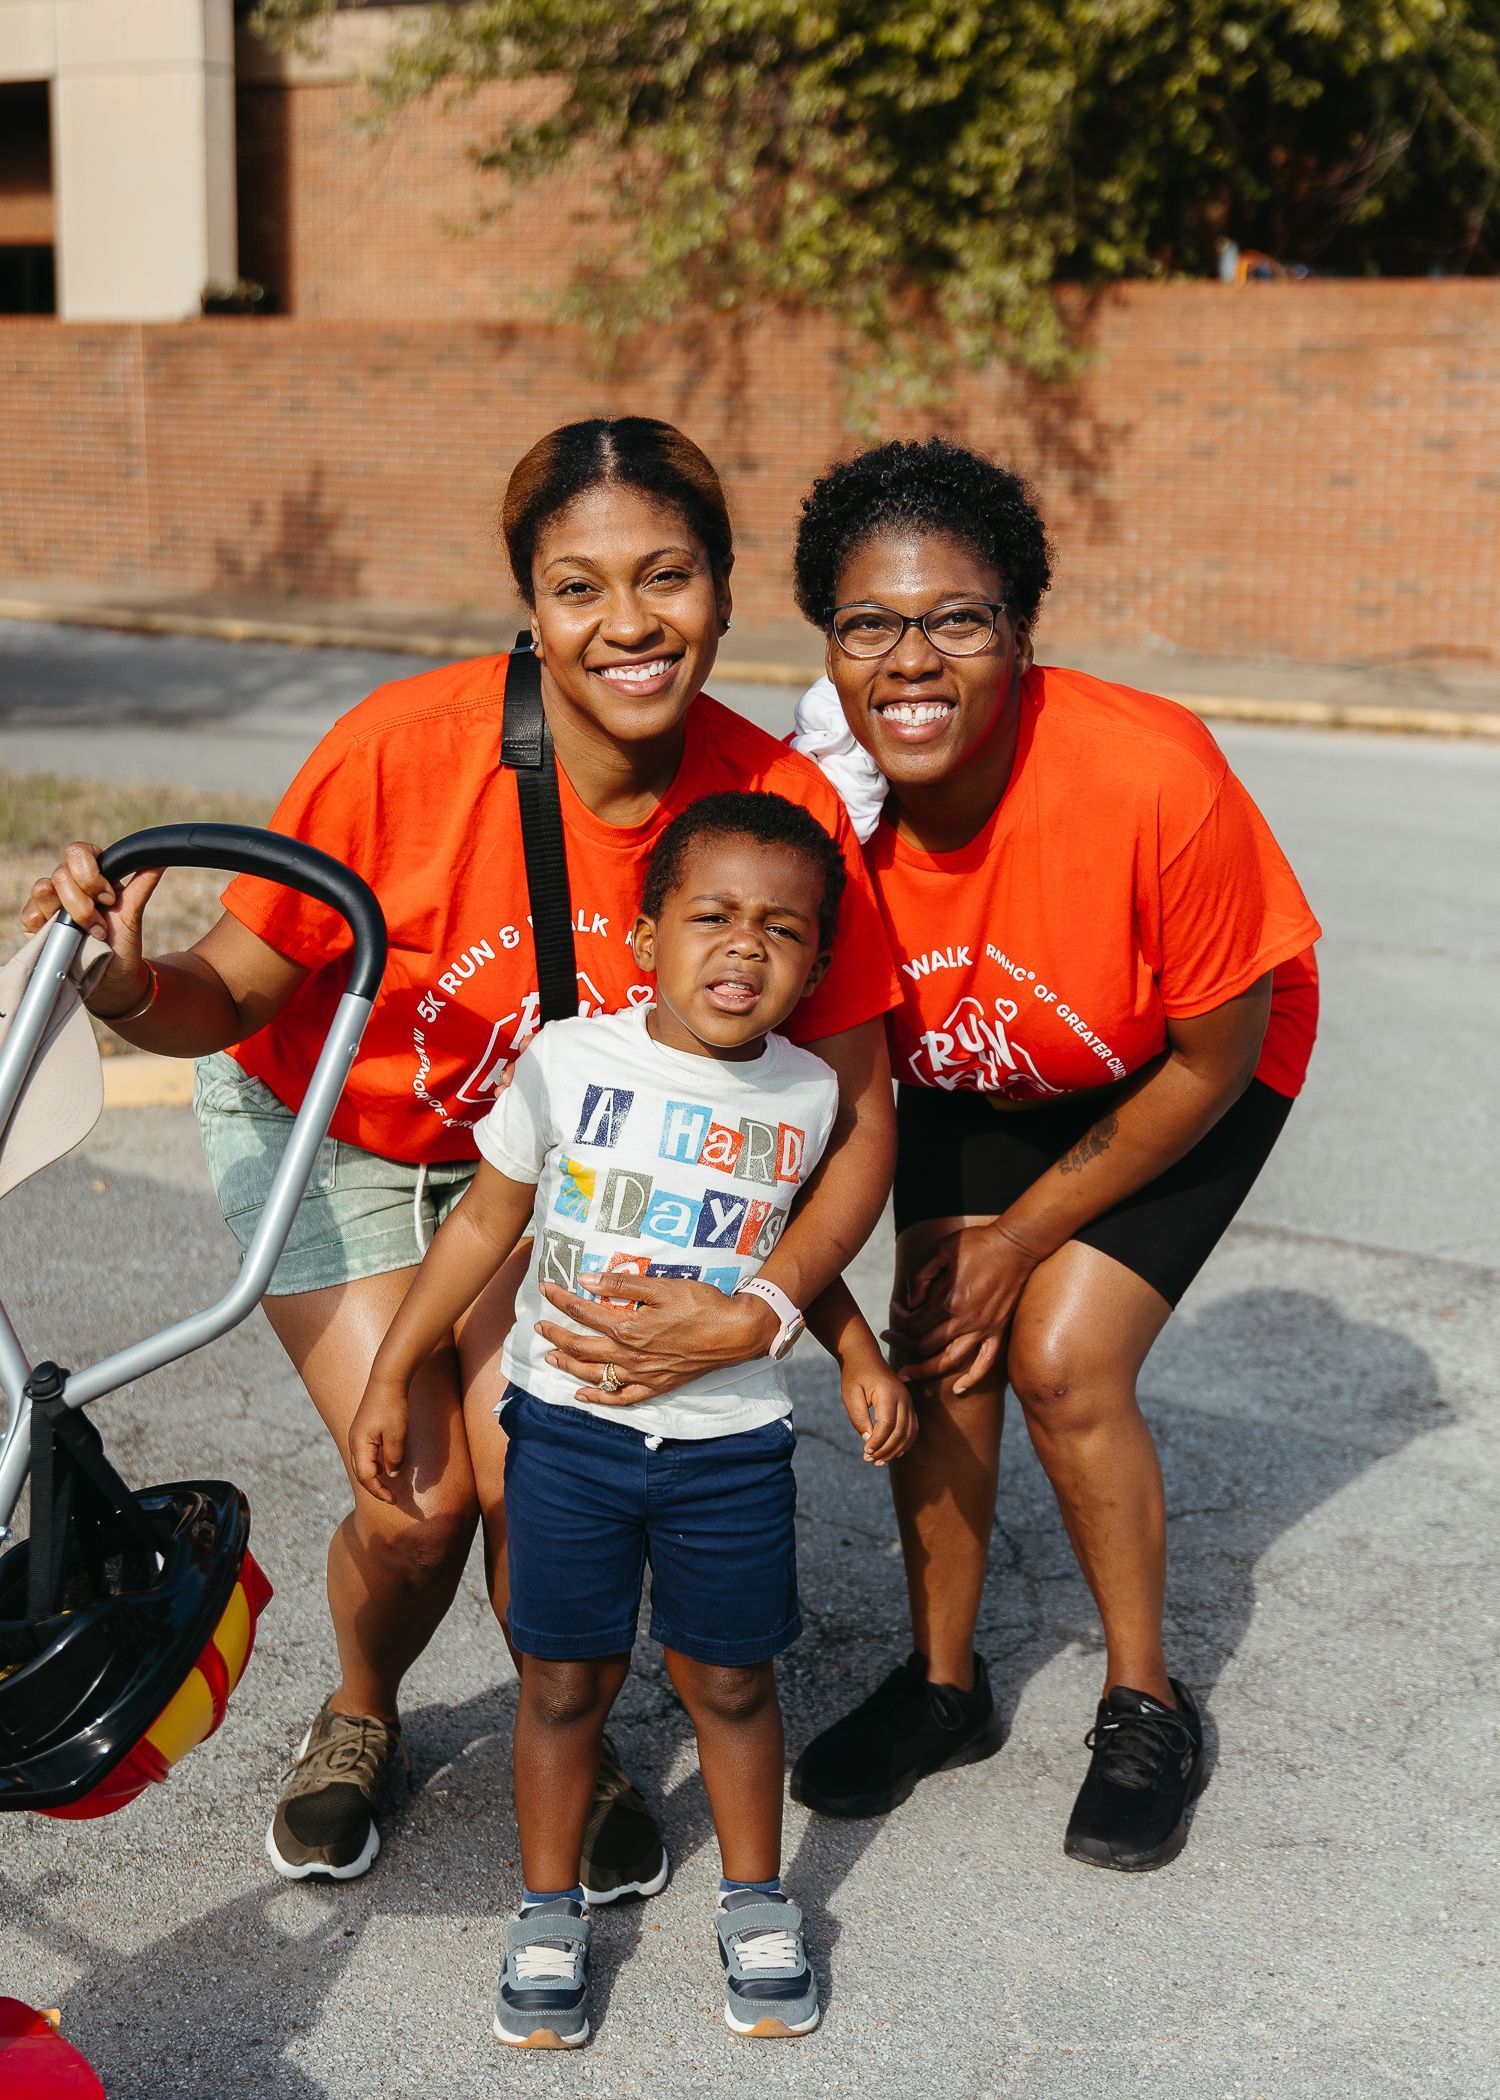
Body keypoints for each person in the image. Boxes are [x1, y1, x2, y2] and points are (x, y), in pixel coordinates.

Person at [18, 416, 899, 1891]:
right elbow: (229, 997)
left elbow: (856, 1112)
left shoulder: (775, 812)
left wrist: (771, 1307)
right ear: (530, 607)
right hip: (340, 1127)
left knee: (543, 1468)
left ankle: (573, 1723)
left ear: (729, 592)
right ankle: (363, 1711)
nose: (629, 623)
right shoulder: (400, 755)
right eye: (578, 588)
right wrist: (120, 986)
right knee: (416, 1506)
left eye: (667, 576)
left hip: (557, 1168)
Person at [786, 437, 1322, 1871]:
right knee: (937, 1342)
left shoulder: (1152, 773)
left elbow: (1216, 1056)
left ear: (1021, 634)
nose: (913, 660)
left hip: (1182, 1067)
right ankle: (945, 1686)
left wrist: (1022, 1240)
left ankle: (1144, 1699)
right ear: (829, 649)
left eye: (957, 620)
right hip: (971, 1065)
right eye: (869, 625)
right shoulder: (819, 817)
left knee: (1063, 1359)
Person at [349, 792, 912, 2048]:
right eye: (710, 916)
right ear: (646, 928)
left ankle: (756, 1903)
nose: (744, 949)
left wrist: (862, 1357)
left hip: (728, 1447)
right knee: (561, 1682)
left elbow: (800, 1256)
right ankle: (548, 1913)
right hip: (566, 1435)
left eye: (783, 930)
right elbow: (487, 1222)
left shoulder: (812, 1094)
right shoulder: (569, 1060)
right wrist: (399, 1365)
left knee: (730, 1677)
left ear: (818, 959)